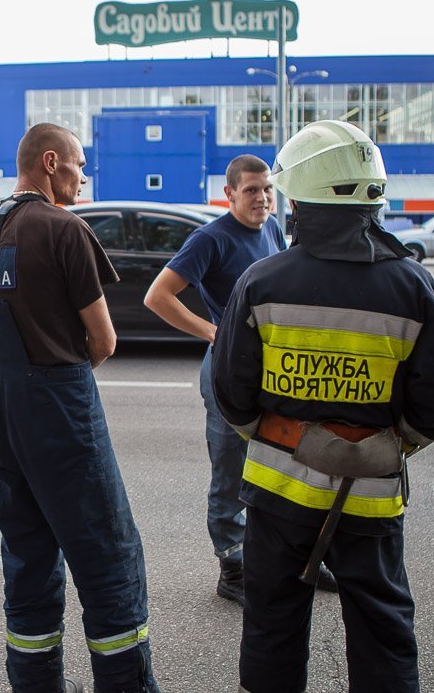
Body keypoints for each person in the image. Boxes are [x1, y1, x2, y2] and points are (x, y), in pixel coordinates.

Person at [211, 120, 434, 693]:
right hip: (370, 496)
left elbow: (231, 390)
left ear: (299, 199)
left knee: (272, 623)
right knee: (382, 626)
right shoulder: (413, 285)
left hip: (276, 493)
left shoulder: (262, 280)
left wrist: (283, 436)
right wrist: (375, 446)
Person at [0, 123, 160, 693]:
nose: (83, 174)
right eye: (78, 163)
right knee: (108, 559)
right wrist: (58, 381)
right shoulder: (63, 228)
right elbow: (104, 340)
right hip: (57, 407)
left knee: (27, 556)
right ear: (50, 162)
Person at [143, 155, 335, 604]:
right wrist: (214, 331)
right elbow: (158, 296)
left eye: (267, 188)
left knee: (282, 461)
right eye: (251, 190)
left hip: (272, 368)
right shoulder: (209, 239)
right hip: (229, 370)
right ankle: (233, 567)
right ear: (229, 194)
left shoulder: (270, 229)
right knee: (231, 467)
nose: (262, 197)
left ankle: (297, 557)